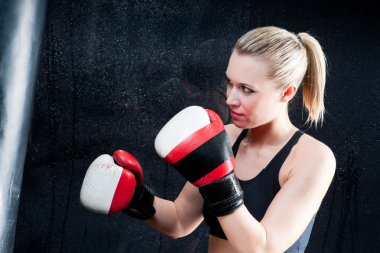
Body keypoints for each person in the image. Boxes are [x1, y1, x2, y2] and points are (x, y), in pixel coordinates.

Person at [80, 26, 336, 253]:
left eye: (246, 89)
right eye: (230, 83)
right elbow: (180, 221)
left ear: (287, 92)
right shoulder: (224, 136)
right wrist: (138, 198)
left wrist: (220, 183)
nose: (230, 99)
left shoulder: (313, 158)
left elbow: (263, 248)